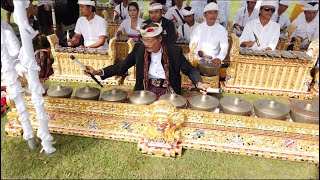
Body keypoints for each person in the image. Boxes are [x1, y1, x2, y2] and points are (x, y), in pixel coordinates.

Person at [84, 23, 210, 97]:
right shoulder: (139, 48)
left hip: (169, 90)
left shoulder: (174, 51)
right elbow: (121, 66)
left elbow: (190, 70)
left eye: (149, 40)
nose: (146, 44)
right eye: (144, 40)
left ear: (159, 39)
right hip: (145, 88)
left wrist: (198, 83)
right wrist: (98, 72)